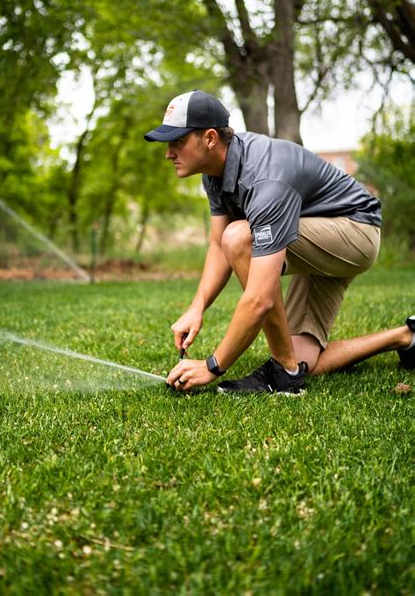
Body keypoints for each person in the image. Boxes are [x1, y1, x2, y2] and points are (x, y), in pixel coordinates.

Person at [144, 90, 415, 394]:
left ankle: (284, 373)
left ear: (209, 138)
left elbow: (259, 297)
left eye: (177, 142)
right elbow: (217, 245)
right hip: (314, 234)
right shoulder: (214, 172)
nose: (169, 153)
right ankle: (405, 337)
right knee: (304, 360)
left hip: (355, 231)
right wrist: (197, 307)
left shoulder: (265, 180)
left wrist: (212, 366)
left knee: (240, 237)